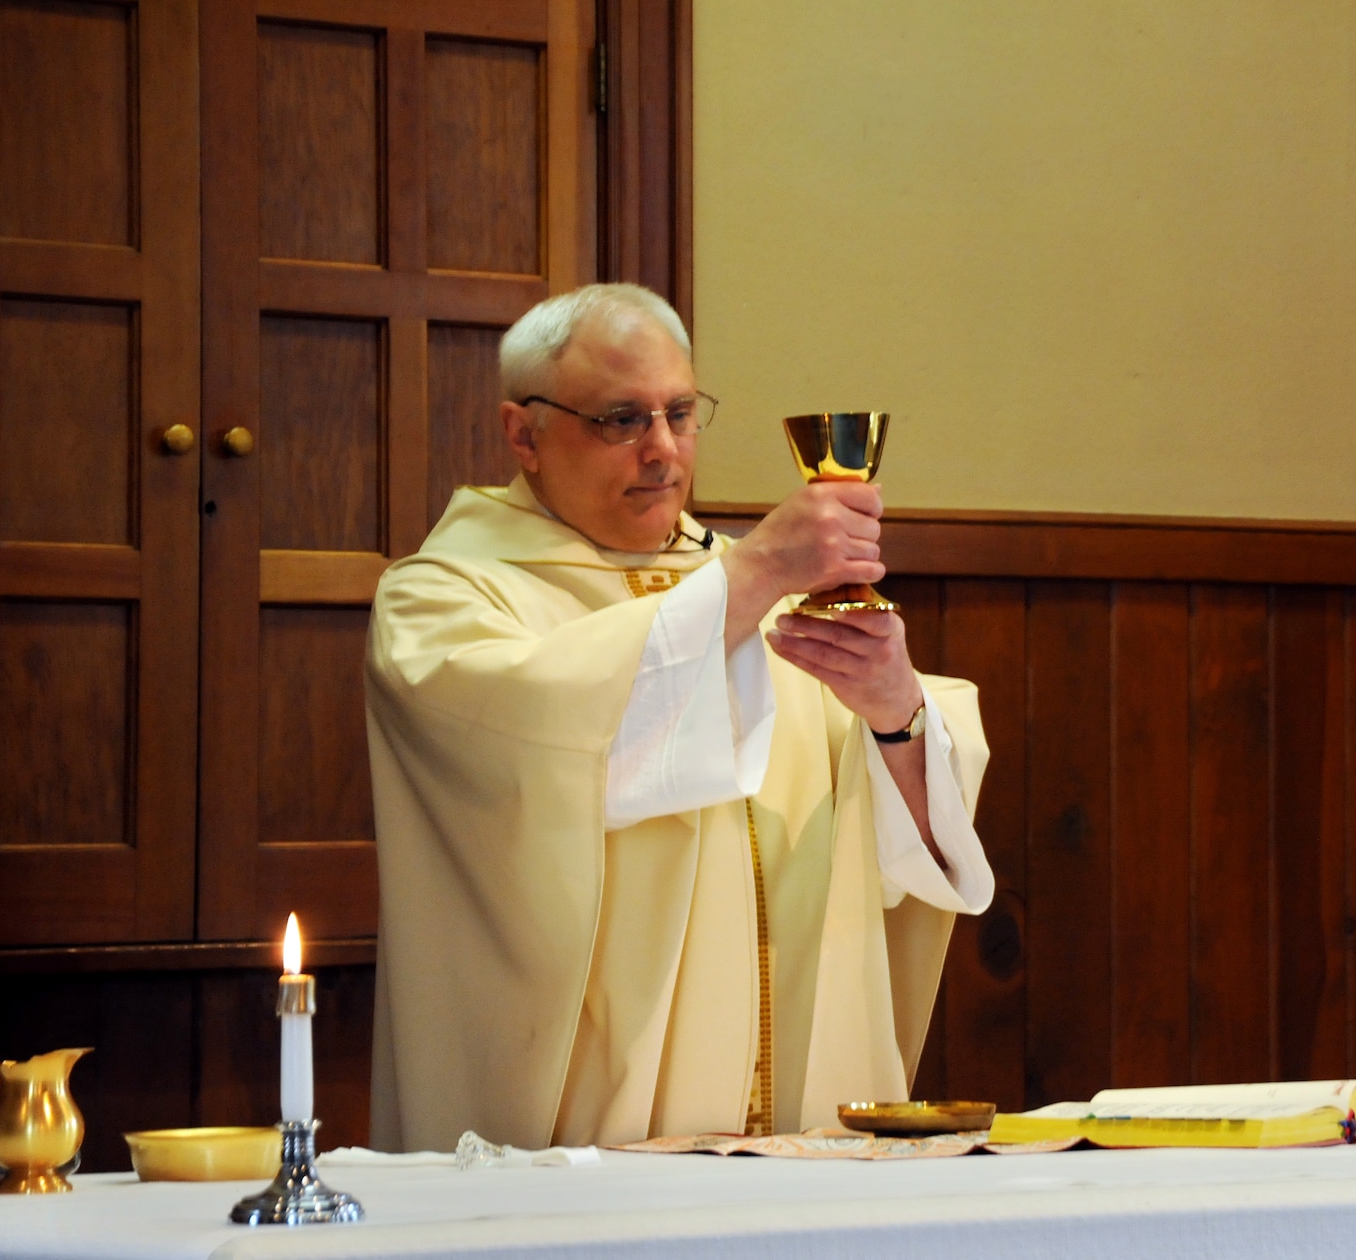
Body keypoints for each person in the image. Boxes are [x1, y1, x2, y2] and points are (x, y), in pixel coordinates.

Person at [365, 283, 992, 1152]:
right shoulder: (444, 600)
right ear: (524, 433)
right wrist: (756, 573)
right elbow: (552, 745)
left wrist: (897, 716)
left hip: (805, 1131)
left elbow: (908, 847)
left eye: (680, 413)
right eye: (622, 419)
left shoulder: (758, 591)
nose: (662, 451)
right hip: (587, 1150)